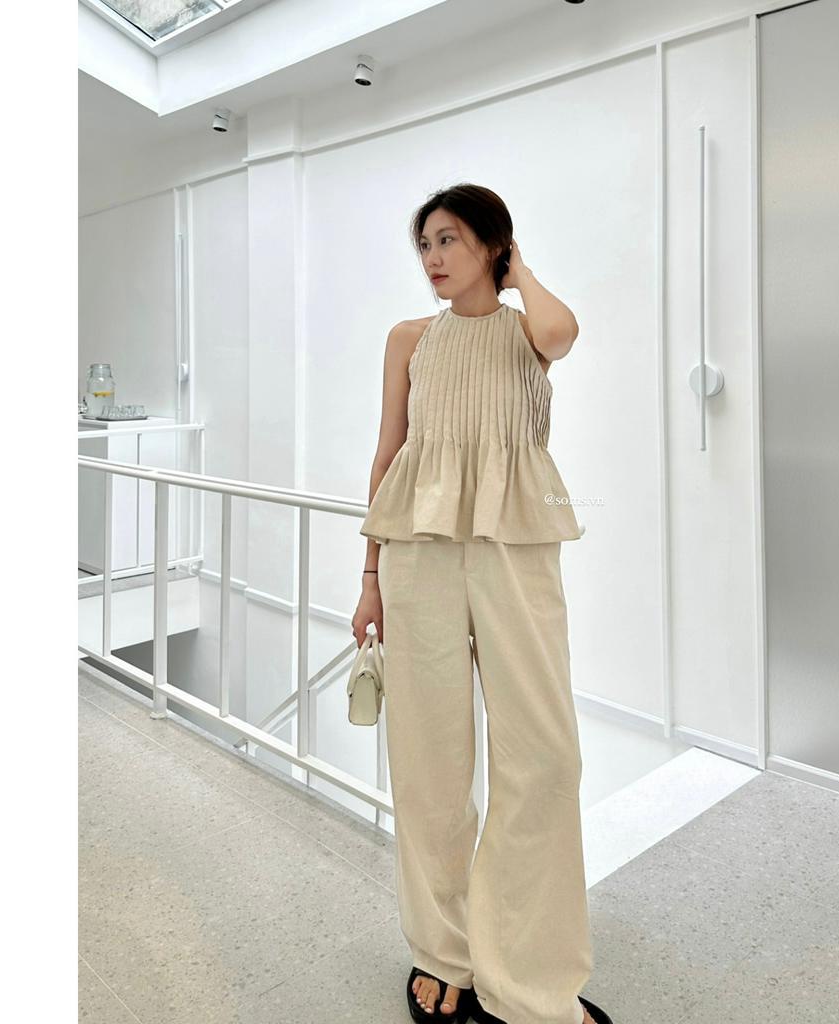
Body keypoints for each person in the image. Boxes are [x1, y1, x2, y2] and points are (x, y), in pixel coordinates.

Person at [352, 184, 612, 1024]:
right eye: (425, 243)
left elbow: (562, 333)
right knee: (430, 761)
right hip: (418, 551)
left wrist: (516, 268)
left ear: (492, 245)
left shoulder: (528, 333)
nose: (432, 257)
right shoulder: (409, 338)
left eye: (450, 239)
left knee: (545, 757)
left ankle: (527, 976)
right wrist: (369, 577)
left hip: (514, 548)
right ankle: (444, 952)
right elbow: (388, 453)